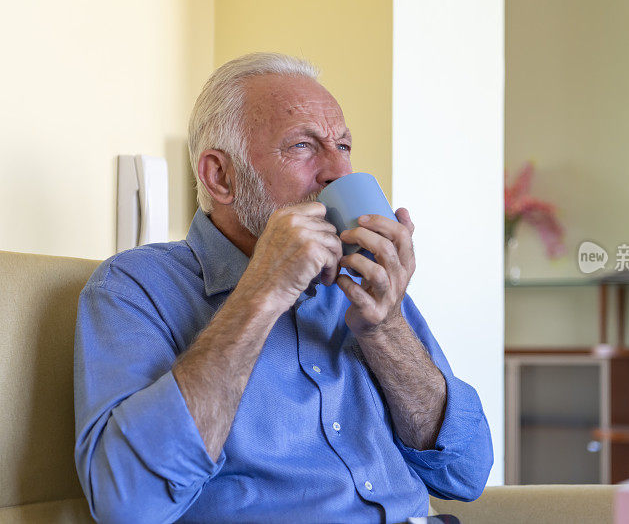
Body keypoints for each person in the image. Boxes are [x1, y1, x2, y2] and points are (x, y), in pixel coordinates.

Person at [74, 52, 493, 523]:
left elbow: (466, 473)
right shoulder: (134, 287)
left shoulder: (364, 281)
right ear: (221, 176)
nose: (338, 171)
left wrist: (386, 328)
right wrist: (261, 292)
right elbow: (129, 505)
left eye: (344, 146)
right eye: (302, 146)